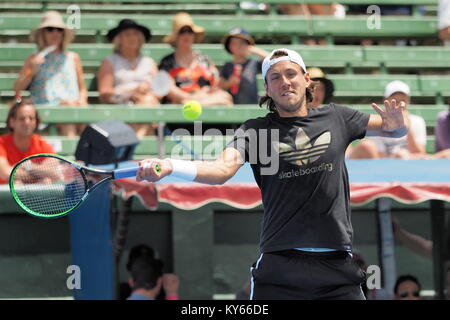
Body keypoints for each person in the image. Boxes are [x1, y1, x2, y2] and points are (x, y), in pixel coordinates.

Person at [136, 48, 410, 300]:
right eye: (275, 77)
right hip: (279, 269)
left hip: (337, 267)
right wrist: (172, 165)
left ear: (306, 80)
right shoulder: (254, 130)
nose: (284, 82)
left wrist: (399, 124)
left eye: (291, 74)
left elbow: (393, 128)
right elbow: (220, 171)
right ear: (267, 88)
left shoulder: (338, 117)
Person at [13, 11, 88, 137]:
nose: (55, 33)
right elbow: (17, 89)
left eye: (59, 29)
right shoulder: (33, 58)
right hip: (44, 111)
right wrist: (32, 70)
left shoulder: (73, 57)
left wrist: (80, 102)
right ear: (43, 33)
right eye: (50, 29)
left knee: (87, 127)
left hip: (72, 109)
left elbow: (82, 89)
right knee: (67, 125)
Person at [97, 19, 161, 138]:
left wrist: (145, 90)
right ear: (119, 39)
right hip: (121, 108)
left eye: (135, 34)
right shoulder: (110, 62)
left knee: (148, 100)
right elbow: (105, 93)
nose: (132, 38)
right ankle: (140, 139)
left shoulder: (149, 62)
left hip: (148, 104)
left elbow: (159, 92)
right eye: (127, 34)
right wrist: (130, 93)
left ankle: (137, 138)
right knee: (148, 104)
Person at [159, 12, 233, 107]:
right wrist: (189, 97)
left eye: (190, 31)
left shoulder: (205, 59)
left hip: (204, 103)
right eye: (182, 31)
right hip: (179, 109)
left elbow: (215, 85)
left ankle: (196, 105)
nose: (187, 35)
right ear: (176, 36)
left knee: (225, 97)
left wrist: (200, 97)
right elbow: (169, 89)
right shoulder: (167, 62)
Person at [349, 81, 427, 160]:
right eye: (395, 101)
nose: (400, 105)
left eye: (403, 101)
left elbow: (420, 154)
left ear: (408, 101)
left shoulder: (417, 121)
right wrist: (398, 157)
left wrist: (407, 126)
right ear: (386, 101)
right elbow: (379, 157)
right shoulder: (378, 122)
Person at [0, 98, 55, 184]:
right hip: (5, 196)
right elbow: (6, 174)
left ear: (36, 122)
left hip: (34, 195)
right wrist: (39, 173)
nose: (27, 122)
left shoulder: (42, 144)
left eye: (31, 118)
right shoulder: (1, 143)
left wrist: (27, 166)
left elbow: (55, 173)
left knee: (46, 181)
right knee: (16, 183)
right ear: (12, 122)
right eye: (22, 118)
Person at [218, 28, 269, 105]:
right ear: (229, 46)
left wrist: (254, 50)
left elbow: (272, 60)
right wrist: (230, 82)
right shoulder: (227, 66)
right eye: (234, 43)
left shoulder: (254, 63)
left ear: (248, 45)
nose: (238, 46)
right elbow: (220, 86)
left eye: (242, 43)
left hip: (252, 105)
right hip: (233, 106)